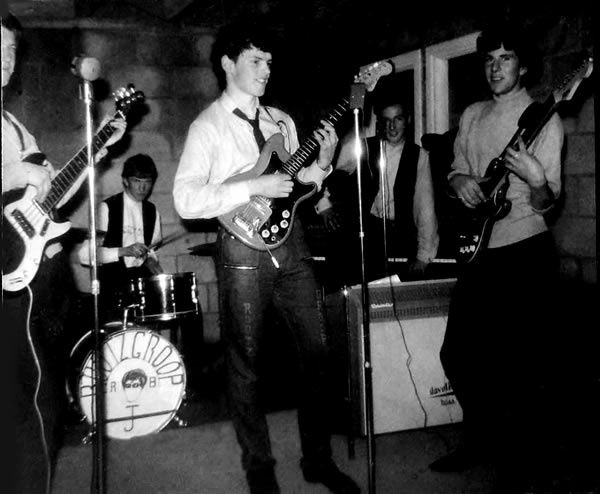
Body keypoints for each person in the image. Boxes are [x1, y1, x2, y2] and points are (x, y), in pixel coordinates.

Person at [173, 20, 360, 494]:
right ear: (228, 63)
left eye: (269, 62)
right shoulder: (208, 126)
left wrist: (323, 164)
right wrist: (254, 185)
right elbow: (186, 200)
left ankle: (317, 459)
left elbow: (295, 187)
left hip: (291, 244)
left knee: (318, 352)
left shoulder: (282, 121)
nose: (266, 70)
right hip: (241, 249)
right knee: (246, 364)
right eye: (256, 60)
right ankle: (260, 469)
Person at [428, 21, 563, 485]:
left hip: (525, 250)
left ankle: (521, 462)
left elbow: (548, 203)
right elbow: (456, 172)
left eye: (506, 58)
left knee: (521, 365)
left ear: (523, 67)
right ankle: (480, 439)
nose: (495, 67)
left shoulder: (544, 119)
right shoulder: (472, 115)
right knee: (459, 355)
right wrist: (459, 181)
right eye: (489, 59)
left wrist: (537, 179)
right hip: (479, 252)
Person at [2, 12, 126, 494]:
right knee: (29, 407)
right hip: (12, 283)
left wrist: (97, 149)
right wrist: (16, 174)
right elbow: (22, 179)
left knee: (37, 404)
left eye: (12, 51)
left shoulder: (15, 128)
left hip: (30, 280)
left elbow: (50, 194)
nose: (6, 60)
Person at [316, 97, 439, 286]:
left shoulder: (419, 156)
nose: (392, 126)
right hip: (358, 235)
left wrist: (424, 254)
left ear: (407, 120)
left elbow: (425, 207)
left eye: (398, 119)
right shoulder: (361, 147)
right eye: (386, 120)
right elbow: (324, 171)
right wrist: (324, 204)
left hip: (397, 238)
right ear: (380, 122)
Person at [78, 153, 162, 324]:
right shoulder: (107, 208)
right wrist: (123, 251)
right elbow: (85, 255)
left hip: (140, 289)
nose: (142, 188)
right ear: (125, 180)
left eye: (147, 182)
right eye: (137, 181)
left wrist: (150, 260)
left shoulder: (153, 211)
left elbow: (150, 248)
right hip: (112, 290)